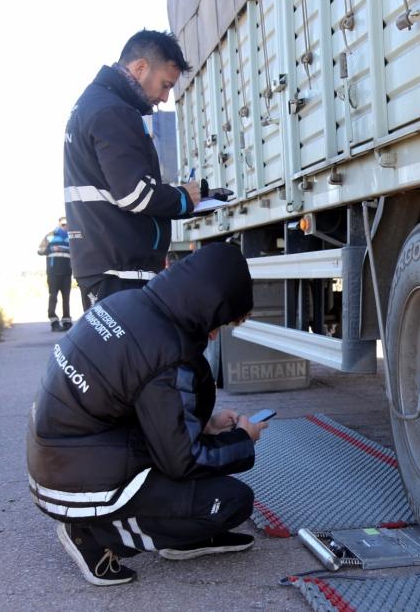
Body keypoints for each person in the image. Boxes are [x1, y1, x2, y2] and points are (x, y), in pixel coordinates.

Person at [26, 243, 265, 586]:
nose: (213, 334)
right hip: (76, 482)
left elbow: (133, 401)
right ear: (205, 306)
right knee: (231, 502)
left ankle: (177, 534)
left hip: (58, 460)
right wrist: (242, 439)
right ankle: (96, 535)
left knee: (201, 486)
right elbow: (182, 461)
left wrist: (208, 426)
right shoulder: (166, 350)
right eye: (218, 323)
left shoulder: (127, 303)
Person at [63, 29, 205, 310]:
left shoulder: (94, 103)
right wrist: (184, 198)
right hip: (120, 271)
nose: (165, 98)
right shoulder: (113, 111)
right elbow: (135, 194)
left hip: (105, 264)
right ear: (140, 68)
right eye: (165, 85)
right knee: (126, 354)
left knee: (114, 353)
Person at [37, 217, 73, 331]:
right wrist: (51, 249)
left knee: (66, 298)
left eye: (67, 224)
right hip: (53, 272)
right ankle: (54, 321)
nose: (65, 226)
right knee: (53, 297)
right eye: (63, 224)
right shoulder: (50, 235)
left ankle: (67, 321)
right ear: (59, 224)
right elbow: (39, 250)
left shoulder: (71, 236)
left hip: (67, 272)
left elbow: (77, 251)